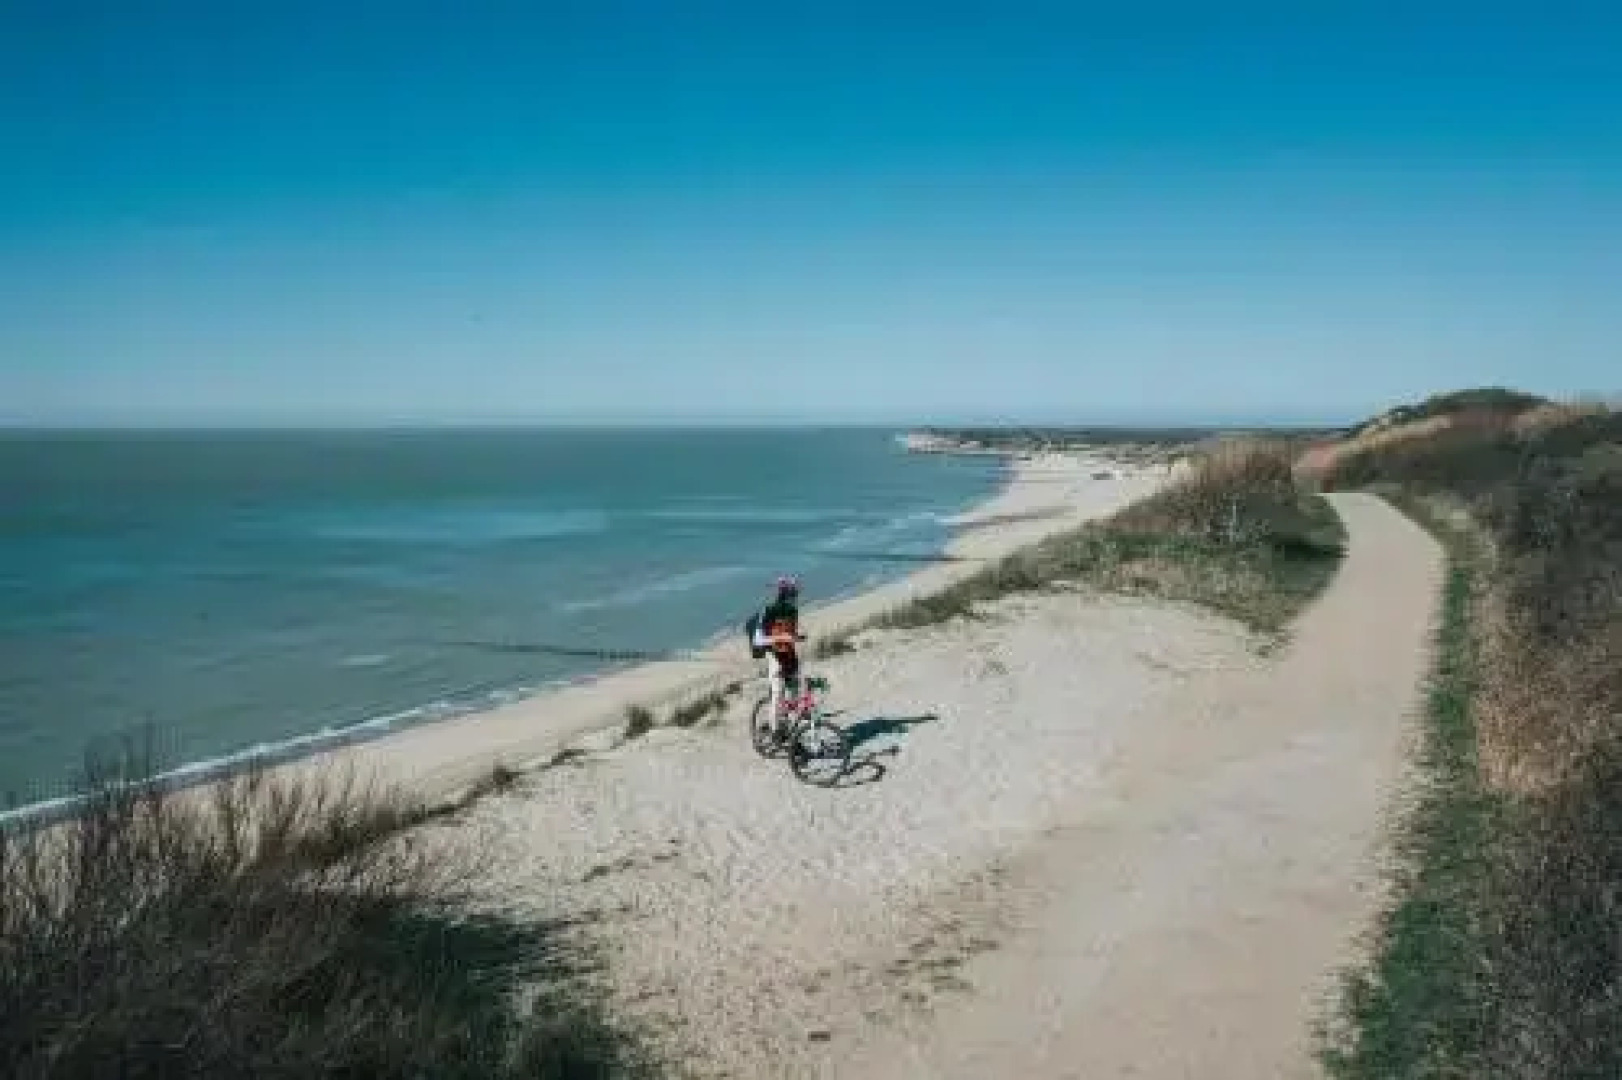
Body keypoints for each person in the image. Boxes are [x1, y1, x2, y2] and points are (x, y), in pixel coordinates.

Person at [751, 575, 804, 733]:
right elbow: (759, 640)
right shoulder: (770, 610)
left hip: (789, 655)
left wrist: (796, 637)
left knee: (795, 694)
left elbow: (790, 633)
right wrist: (782, 637)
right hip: (774, 655)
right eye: (794, 594)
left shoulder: (793, 611)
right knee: (778, 692)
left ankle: (791, 731)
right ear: (785, 595)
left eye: (796, 594)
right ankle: (775, 732)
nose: (796, 598)